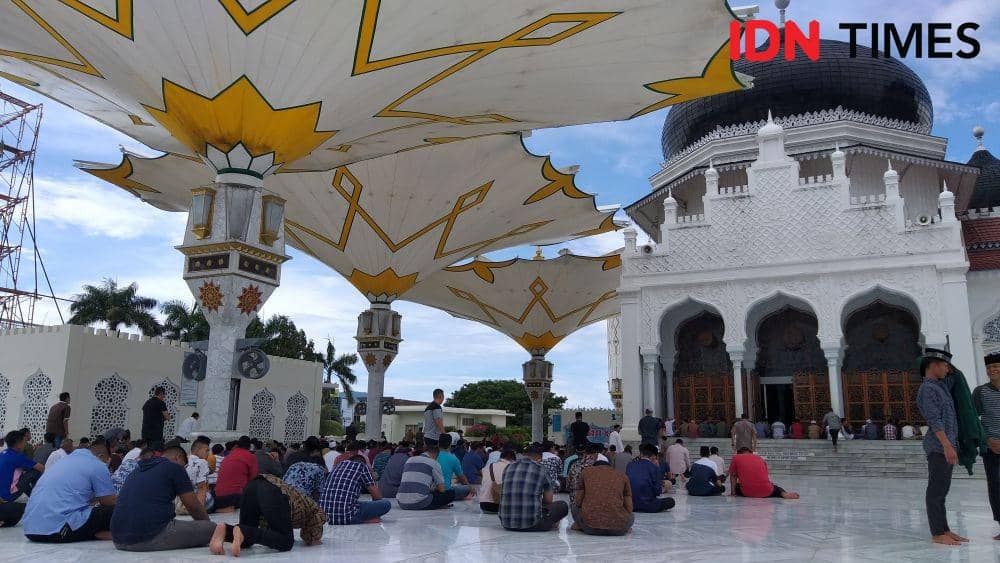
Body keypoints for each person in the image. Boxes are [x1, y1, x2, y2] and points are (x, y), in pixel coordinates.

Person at [111, 445, 228, 553]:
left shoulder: (136, 471)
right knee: (214, 528)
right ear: (178, 458)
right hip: (149, 537)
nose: (184, 469)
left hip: (118, 539)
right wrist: (208, 527)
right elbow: (194, 507)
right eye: (184, 465)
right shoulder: (175, 467)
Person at [916, 348, 967, 546]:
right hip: (938, 447)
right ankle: (937, 532)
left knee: (942, 490)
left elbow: (956, 378)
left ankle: (944, 529)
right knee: (936, 490)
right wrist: (946, 445)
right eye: (945, 365)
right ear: (934, 365)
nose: (947, 369)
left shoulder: (940, 387)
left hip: (946, 444)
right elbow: (934, 419)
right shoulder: (927, 389)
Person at [22, 440, 116, 543]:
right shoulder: (98, 464)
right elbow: (109, 501)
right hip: (58, 530)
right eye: (107, 461)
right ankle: (106, 533)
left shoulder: (63, 461)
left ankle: (94, 533)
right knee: (118, 509)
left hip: (31, 530)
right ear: (101, 456)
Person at [231, 473, 326, 555]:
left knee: (246, 541)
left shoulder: (304, 502)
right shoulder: (316, 511)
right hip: (271, 491)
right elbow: (309, 535)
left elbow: (269, 522)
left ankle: (225, 530)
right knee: (286, 542)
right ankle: (243, 531)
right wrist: (314, 539)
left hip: (253, 485)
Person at [499, 443, 568, 531]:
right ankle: (551, 523)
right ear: (539, 459)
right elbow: (548, 500)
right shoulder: (542, 469)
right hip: (532, 524)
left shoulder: (508, 467)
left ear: (524, 455)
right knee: (562, 505)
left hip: (506, 523)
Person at [571, 454, 633, 536]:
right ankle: (625, 527)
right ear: (610, 466)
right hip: (618, 529)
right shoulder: (622, 475)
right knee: (631, 516)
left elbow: (578, 502)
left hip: (590, 527)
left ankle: (580, 525)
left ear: (594, 466)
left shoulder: (586, 472)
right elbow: (629, 508)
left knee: (574, 507)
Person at [319, 455, 391, 524]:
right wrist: (376, 510)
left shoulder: (338, 466)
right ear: (363, 462)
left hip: (325, 516)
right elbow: (376, 495)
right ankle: (362, 520)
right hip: (346, 515)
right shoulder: (362, 466)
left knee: (356, 504)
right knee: (386, 504)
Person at [974, 352, 1000, 540]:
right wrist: (987, 440)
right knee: (996, 486)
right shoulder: (980, 391)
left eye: (996, 366)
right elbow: (973, 418)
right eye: (989, 367)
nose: (992, 370)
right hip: (991, 448)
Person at [728, 447, 799, 499]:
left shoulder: (736, 457)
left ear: (739, 453)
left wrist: (733, 492)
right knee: (776, 488)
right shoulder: (759, 458)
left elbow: (733, 475)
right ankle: (784, 494)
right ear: (751, 452)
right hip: (767, 491)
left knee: (737, 486)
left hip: (748, 492)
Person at [398, 444, 455, 510]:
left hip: (402, 502)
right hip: (419, 502)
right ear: (436, 454)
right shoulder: (434, 463)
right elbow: (441, 489)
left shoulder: (409, 460)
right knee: (451, 493)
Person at [214, 435, 259, 512]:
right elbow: (254, 480)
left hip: (218, 497)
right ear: (249, 447)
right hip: (236, 497)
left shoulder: (228, 456)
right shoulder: (251, 457)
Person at [626, 444, 675, 513]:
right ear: (653, 457)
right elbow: (657, 491)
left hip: (631, 505)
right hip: (649, 505)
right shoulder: (655, 468)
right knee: (671, 501)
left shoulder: (630, 465)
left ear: (642, 454)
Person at [1, 429, 44, 503]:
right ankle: (39, 495)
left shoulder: (3, 453)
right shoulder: (18, 456)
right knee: (34, 471)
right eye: (24, 442)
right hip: (8, 495)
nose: (25, 444)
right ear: (18, 444)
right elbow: (41, 468)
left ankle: (33, 496)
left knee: (24, 476)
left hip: (1, 494)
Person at [479, 447, 515, 513]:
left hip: (483, 505)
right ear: (511, 459)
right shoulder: (511, 468)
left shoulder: (489, 466)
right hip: (499, 506)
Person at [436, 434, 473, 499]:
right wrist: (470, 488)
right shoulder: (453, 458)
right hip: (446, 491)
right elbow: (463, 480)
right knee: (467, 488)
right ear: (450, 444)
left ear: (438, 443)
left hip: (432, 491)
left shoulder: (432, 456)